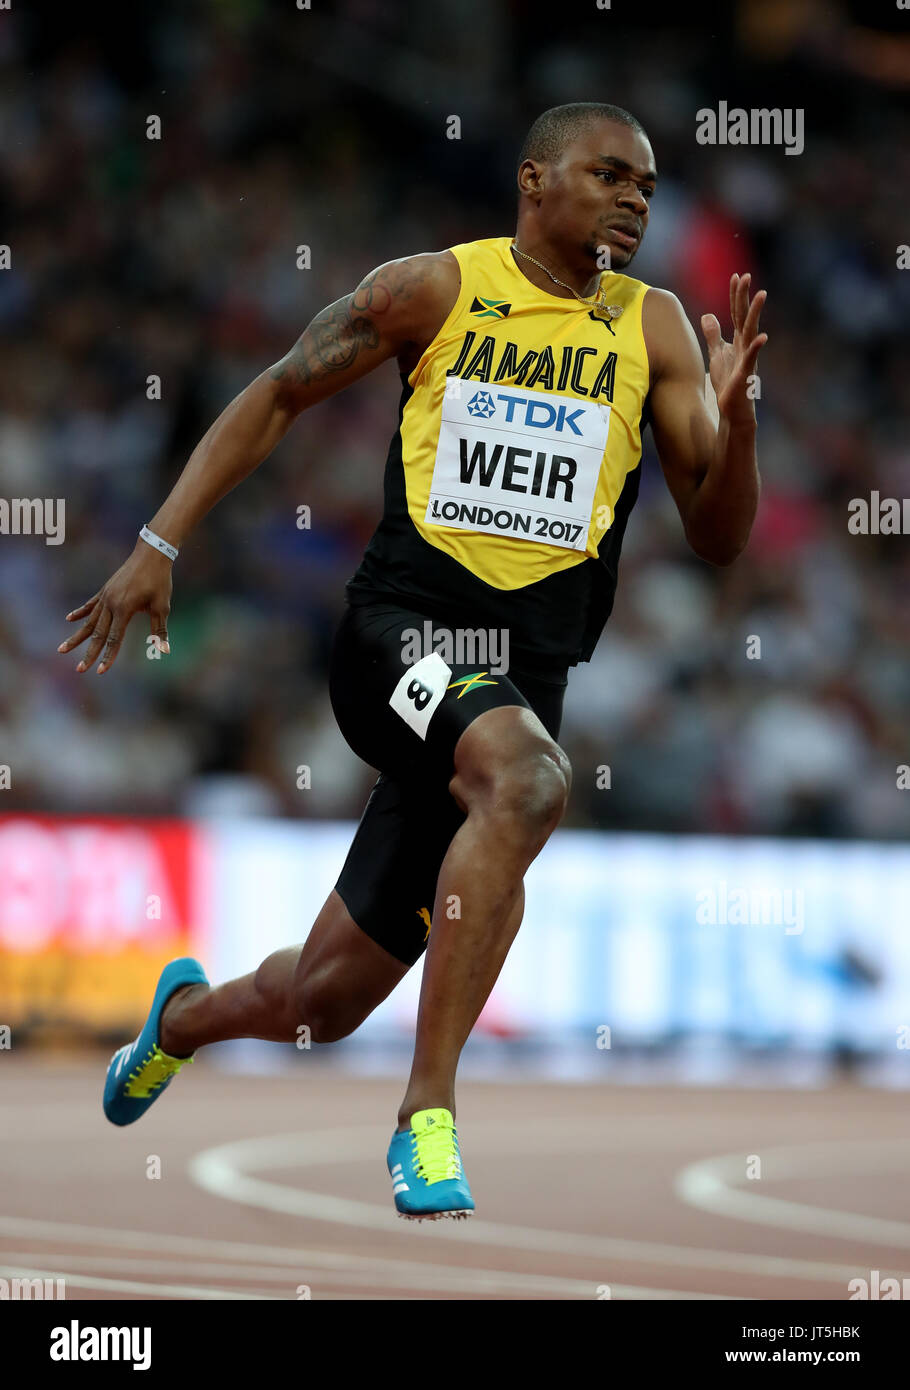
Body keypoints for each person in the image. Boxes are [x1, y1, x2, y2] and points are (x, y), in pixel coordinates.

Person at [59, 102, 767, 1221]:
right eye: (609, 174)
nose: (636, 197)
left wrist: (739, 433)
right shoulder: (433, 287)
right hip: (400, 637)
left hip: (518, 683)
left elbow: (721, 537)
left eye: (647, 183)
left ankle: (181, 1020)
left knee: (321, 1000)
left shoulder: (657, 328)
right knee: (529, 781)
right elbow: (279, 391)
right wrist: (156, 545)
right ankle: (424, 1116)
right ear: (534, 181)